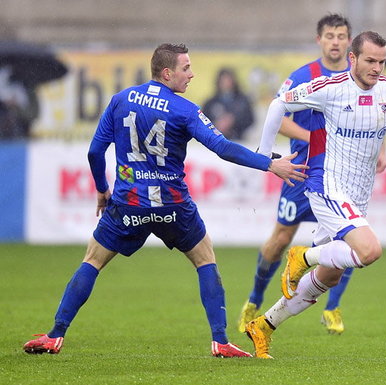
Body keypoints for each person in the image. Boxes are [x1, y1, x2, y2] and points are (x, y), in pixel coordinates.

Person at [22, 43, 307, 358]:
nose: (192, 74)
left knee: (93, 260)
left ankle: (55, 335)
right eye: (186, 68)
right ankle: (220, 341)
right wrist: (269, 164)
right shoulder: (185, 109)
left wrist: (102, 188)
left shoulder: (120, 101)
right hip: (173, 205)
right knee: (205, 259)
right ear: (167, 72)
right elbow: (222, 147)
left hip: (128, 202)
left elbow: (94, 152)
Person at [244, 31, 386, 358]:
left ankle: (264, 326)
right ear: (353, 58)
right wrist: (265, 154)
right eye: (370, 61)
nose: (376, 68)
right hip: (326, 186)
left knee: (328, 276)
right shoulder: (328, 88)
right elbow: (278, 104)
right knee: (369, 251)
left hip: (357, 197)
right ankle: (303, 256)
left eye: (382, 62)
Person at [237, 13, 386, 336]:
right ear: (319, 40)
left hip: (343, 175)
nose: (335, 41)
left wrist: (381, 149)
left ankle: (331, 307)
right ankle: (254, 300)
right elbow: (280, 114)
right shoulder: (305, 76)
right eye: (329, 36)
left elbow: (374, 115)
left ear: (350, 44)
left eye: (341, 36)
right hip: (304, 169)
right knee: (280, 241)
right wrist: (321, 138)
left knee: (347, 244)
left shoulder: (365, 80)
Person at [202, 67, 255, 141]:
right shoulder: (210, 103)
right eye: (223, 80)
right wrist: (215, 125)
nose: (226, 83)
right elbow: (202, 121)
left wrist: (233, 121)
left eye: (228, 80)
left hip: (239, 141)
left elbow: (250, 119)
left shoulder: (243, 101)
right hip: (214, 142)